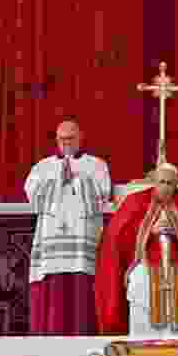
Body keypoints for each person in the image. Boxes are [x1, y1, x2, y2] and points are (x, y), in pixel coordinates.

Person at [95, 163, 178, 336]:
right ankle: (143, 337)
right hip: (145, 261)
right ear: (154, 181)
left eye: (170, 183)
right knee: (139, 279)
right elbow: (117, 237)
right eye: (161, 182)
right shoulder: (135, 201)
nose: (165, 187)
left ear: (176, 184)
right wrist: (149, 231)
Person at [24, 119, 111, 335]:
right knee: (54, 290)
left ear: (81, 138)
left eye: (71, 138)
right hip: (52, 236)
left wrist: (78, 179)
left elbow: (102, 195)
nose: (66, 143)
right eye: (62, 139)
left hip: (83, 238)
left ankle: (84, 336)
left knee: (82, 288)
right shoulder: (43, 167)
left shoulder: (96, 165)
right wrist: (57, 179)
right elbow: (33, 197)